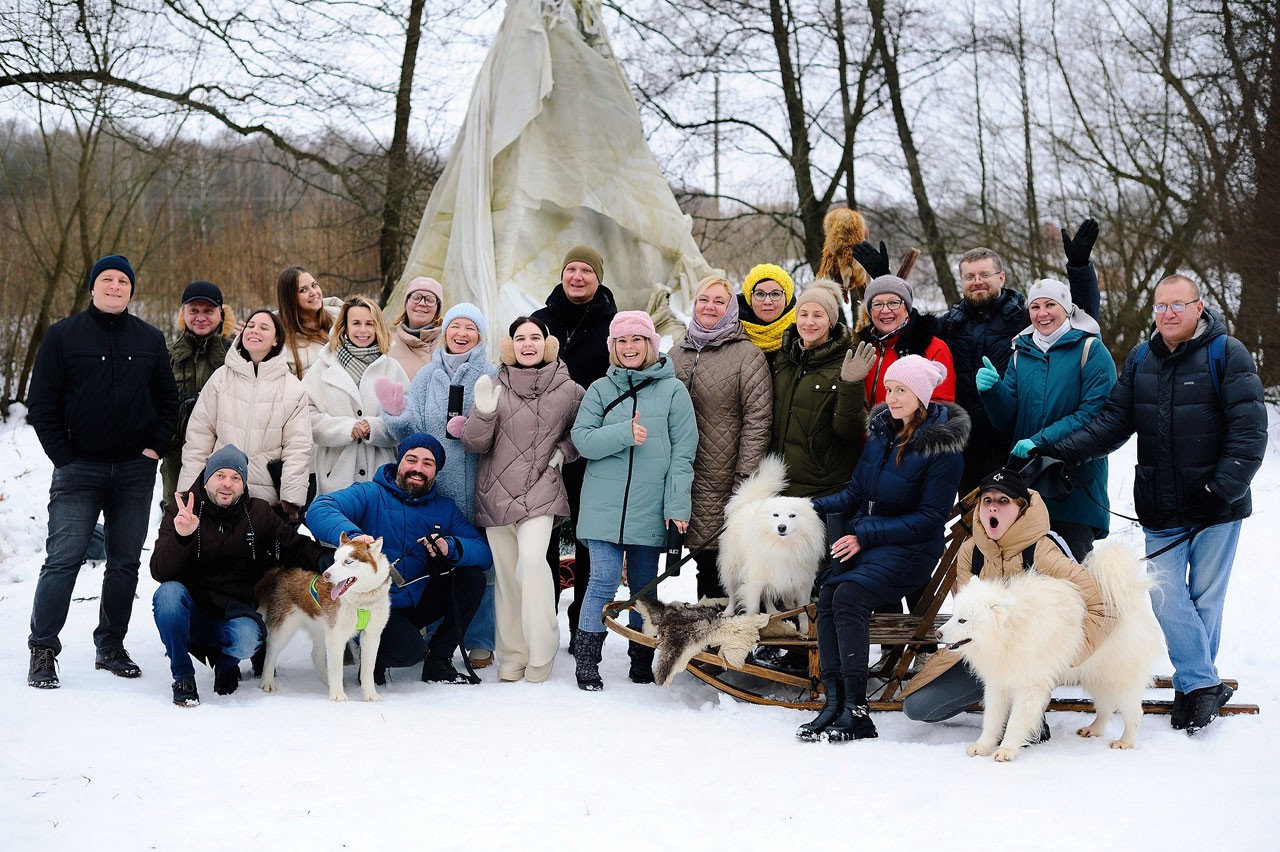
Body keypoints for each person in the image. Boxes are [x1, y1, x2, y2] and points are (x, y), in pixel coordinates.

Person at [1043, 275, 1266, 734]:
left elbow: (1249, 433)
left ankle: (1192, 686)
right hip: (1161, 504)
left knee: (1205, 599)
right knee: (1167, 598)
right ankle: (1204, 683)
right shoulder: (1142, 358)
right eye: (1160, 306)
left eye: (1177, 305)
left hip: (1216, 508)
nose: (1167, 314)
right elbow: (1112, 422)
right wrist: (1059, 451)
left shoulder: (1229, 354)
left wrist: (1220, 489)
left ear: (1199, 307)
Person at [858, 220, 1100, 495]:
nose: (977, 282)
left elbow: (1082, 320)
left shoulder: (1026, 319)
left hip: (1014, 443)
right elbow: (906, 327)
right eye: (970, 277)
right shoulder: (950, 324)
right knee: (972, 530)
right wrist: (885, 280)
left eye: (984, 274)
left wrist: (1080, 269)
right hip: (966, 447)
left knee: (1016, 525)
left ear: (1001, 277)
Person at [797, 355, 968, 742]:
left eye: (901, 390)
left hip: (911, 551)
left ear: (921, 396)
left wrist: (865, 535)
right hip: (871, 542)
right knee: (829, 595)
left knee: (850, 596)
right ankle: (835, 701)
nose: (891, 397)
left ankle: (858, 711)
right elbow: (858, 491)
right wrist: (808, 507)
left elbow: (930, 518)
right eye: (889, 389)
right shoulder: (881, 434)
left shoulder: (943, 450)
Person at [26, 254, 178, 688]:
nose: (115, 287)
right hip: (79, 470)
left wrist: (156, 446)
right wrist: (63, 456)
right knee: (63, 559)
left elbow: (168, 400)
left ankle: (110, 645)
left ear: (132, 290)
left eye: (123, 281)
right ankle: (42, 649)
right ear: (93, 287)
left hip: (134, 470)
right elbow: (42, 403)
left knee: (125, 561)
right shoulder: (62, 336)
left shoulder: (149, 338)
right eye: (107, 280)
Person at [902, 468, 1116, 738]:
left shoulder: (1043, 550)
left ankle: (1027, 710)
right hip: (988, 654)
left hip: (1034, 659)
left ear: (1021, 509)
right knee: (918, 708)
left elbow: (1103, 608)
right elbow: (968, 613)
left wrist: (1064, 657)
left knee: (1023, 698)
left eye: (1004, 501)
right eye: (987, 501)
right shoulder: (971, 550)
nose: (994, 508)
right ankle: (1003, 698)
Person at [570, 311, 697, 691]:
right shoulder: (599, 390)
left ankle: (641, 657)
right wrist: (623, 433)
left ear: (650, 345)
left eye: (636, 340)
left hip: (650, 505)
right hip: (602, 506)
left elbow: (683, 455)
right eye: (621, 341)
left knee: (645, 587)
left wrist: (677, 508)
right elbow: (583, 440)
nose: (629, 347)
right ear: (612, 347)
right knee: (603, 581)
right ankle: (587, 659)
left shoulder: (674, 391)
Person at [150, 445, 329, 707]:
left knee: (248, 638)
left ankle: (226, 665)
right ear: (206, 477)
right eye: (220, 475)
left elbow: (294, 546)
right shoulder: (183, 509)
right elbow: (159, 571)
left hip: (235, 609)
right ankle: (182, 675)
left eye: (235, 478)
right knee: (167, 596)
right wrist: (182, 537)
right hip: (192, 610)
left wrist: (327, 560)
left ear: (244, 484)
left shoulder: (257, 513)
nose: (227, 484)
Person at [306, 433, 492, 685]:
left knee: (472, 578)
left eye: (428, 463)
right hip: (375, 604)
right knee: (407, 652)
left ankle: (439, 660)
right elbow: (320, 508)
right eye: (411, 459)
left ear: (436, 471)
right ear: (399, 461)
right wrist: (354, 537)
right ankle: (375, 661)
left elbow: (483, 552)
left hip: (420, 600)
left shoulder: (444, 509)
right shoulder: (370, 493)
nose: (418, 468)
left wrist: (451, 546)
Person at [461, 316, 584, 683]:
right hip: (496, 493)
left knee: (531, 565)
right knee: (507, 578)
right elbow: (474, 443)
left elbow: (582, 433)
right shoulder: (494, 384)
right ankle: (514, 653)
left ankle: (542, 649)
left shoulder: (570, 389)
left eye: (535, 337)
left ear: (547, 344)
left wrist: (563, 451)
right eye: (519, 338)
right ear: (509, 346)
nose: (527, 344)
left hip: (541, 488)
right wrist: (483, 412)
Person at [381, 302, 497, 666]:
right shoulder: (427, 376)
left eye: (470, 328)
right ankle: (433, 634)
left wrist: (476, 428)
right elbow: (410, 432)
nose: (461, 334)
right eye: (455, 326)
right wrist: (397, 413)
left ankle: (479, 639)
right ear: (444, 331)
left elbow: (502, 426)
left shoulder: (490, 374)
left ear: (480, 335)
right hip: (434, 488)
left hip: (479, 484)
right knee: (433, 558)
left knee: (480, 565)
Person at [974, 279, 1116, 559]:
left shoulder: (1091, 350)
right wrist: (992, 391)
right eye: (1035, 306)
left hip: (1075, 484)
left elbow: (1093, 414)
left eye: (1050, 305)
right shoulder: (1020, 353)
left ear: (1066, 308)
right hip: (1028, 485)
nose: (1042, 313)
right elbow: (1008, 420)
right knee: (1028, 582)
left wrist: (1039, 440)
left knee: (1069, 580)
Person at [531, 246, 617, 646]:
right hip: (542, 446)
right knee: (543, 534)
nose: (578, 277)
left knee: (587, 536)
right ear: (562, 274)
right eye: (571, 269)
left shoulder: (613, 323)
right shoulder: (541, 321)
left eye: (586, 270)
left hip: (592, 445)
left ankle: (584, 620)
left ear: (598, 277)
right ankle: (542, 620)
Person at [671, 275, 772, 599]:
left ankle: (730, 643)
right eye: (704, 299)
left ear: (731, 309)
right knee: (701, 560)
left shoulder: (747, 355)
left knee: (723, 563)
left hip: (725, 477)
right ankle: (708, 638)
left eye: (719, 301)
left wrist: (745, 476)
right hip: (684, 477)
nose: (710, 306)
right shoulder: (677, 352)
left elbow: (758, 419)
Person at [179, 308, 313, 523]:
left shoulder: (293, 388)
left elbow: (298, 446)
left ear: (276, 339)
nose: (254, 331)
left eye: (263, 327)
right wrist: (189, 490)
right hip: (220, 494)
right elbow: (199, 437)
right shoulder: (221, 378)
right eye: (250, 326)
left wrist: (291, 495)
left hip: (266, 501)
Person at [769, 279, 869, 498]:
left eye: (818, 315)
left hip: (822, 487)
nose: (809, 322)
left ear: (831, 321)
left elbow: (850, 431)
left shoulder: (847, 362)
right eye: (803, 314)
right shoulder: (784, 358)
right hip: (778, 482)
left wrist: (851, 385)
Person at [301, 296, 409, 495]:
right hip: (336, 474)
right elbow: (305, 416)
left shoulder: (392, 368)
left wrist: (373, 428)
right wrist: (346, 428)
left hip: (381, 475)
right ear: (345, 326)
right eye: (356, 323)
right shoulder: (323, 367)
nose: (363, 330)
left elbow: (406, 420)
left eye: (370, 324)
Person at [162, 281, 234, 508]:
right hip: (178, 457)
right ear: (183, 313)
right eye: (194, 311)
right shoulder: (166, 355)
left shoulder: (236, 354)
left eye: (208, 311)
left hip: (226, 456)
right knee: (179, 516)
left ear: (221, 314)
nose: (200, 317)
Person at [856, 274, 955, 407]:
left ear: (906, 308)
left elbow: (940, 407)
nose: (885, 310)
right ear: (870, 311)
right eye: (877, 304)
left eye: (894, 303)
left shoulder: (933, 347)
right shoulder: (860, 348)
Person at [276, 265, 342, 379]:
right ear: (290, 299)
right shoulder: (282, 341)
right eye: (303, 290)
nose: (313, 292)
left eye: (314, 285)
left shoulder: (341, 319)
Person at [738, 263, 798, 365]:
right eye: (760, 294)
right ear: (750, 299)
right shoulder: (733, 334)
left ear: (786, 298)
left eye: (775, 294)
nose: (767, 301)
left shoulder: (803, 333)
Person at [387, 276, 444, 379]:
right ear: (406, 303)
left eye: (430, 300)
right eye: (416, 297)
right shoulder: (388, 344)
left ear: (438, 308)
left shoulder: (449, 342)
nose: (422, 303)